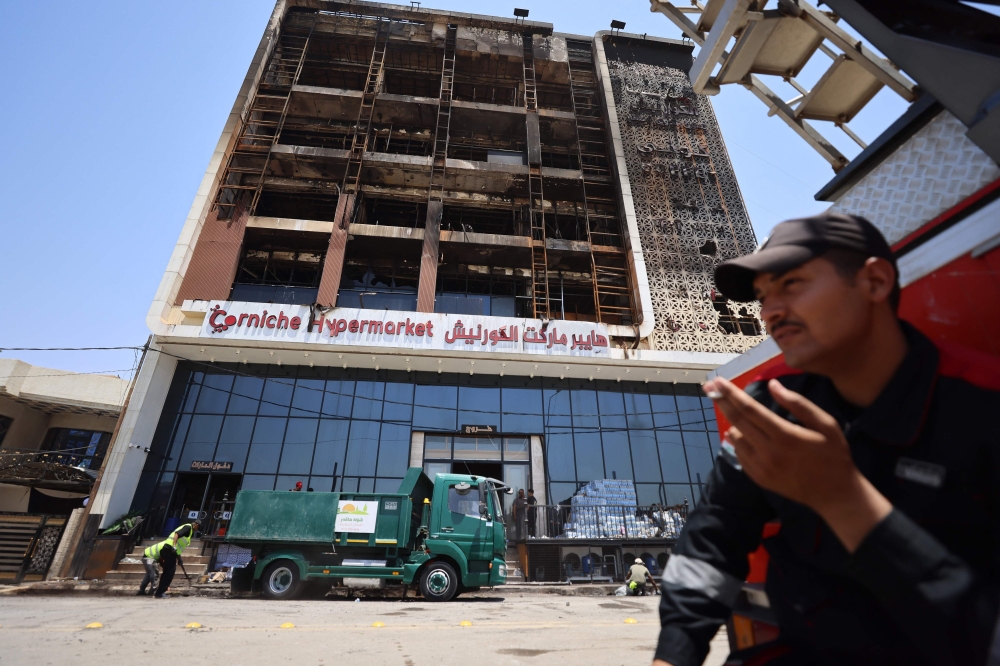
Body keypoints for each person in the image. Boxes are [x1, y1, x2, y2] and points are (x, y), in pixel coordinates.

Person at [653, 213, 1000, 666]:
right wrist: (673, 654)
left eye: (791, 284)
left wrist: (841, 499)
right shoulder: (770, 404)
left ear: (875, 281)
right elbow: (714, 537)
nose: (769, 312)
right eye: (762, 296)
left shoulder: (983, 404)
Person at [144, 520, 200, 599]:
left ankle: (160, 592)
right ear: (196, 525)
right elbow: (177, 534)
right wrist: (173, 546)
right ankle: (160, 593)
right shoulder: (188, 527)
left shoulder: (189, 531)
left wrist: (179, 559)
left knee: (169, 571)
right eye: (198, 527)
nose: (198, 529)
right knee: (169, 571)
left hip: (170, 550)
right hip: (169, 549)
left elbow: (179, 547)